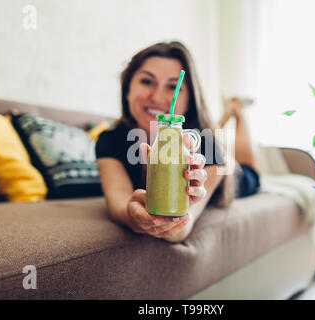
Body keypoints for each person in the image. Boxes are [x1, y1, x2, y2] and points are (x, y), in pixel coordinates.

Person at [95, 41, 259, 243]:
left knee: (247, 168)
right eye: (147, 81)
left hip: (239, 177)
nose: (157, 97)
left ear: (190, 100)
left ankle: (238, 113)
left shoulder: (203, 145)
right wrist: (133, 216)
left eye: (173, 86)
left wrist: (176, 221)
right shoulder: (111, 140)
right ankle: (227, 114)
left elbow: (181, 228)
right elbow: (118, 199)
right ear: (127, 89)